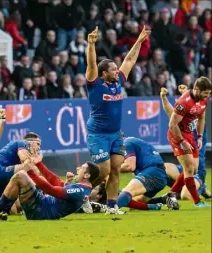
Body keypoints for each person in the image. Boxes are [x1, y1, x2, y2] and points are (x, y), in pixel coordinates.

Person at [84, 26, 150, 211]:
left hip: (115, 134)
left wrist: (139, 40)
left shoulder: (118, 82)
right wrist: (91, 45)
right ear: (104, 73)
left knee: (115, 169)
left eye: (116, 68)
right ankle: (80, 193)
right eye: (113, 69)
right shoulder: (95, 85)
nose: (117, 71)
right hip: (97, 134)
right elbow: (91, 65)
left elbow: (129, 60)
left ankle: (112, 206)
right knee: (103, 170)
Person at [0, 157, 100, 220]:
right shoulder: (81, 188)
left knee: (20, 176)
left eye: (82, 168)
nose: (78, 168)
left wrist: (30, 172)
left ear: (87, 175)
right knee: (23, 178)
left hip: (41, 211)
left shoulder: (80, 191)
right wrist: (39, 164)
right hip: (41, 205)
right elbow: (56, 181)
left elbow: (51, 190)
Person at [160, 85, 211, 202]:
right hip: (181, 139)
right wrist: (164, 98)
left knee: (192, 170)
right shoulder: (184, 108)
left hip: (198, 168)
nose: (207, 96)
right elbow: (171, 115)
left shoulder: (197, 123)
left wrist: (199, 137)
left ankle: (175, 192)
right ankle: (196, 200)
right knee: (186, 170)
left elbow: (197, 109)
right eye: (206, 93)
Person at [117, 137, 178, 211]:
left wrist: (111, 169)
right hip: (160, 175)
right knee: (135, 201)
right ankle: (163, 199)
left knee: (126, 192)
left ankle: (110, 208)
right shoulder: (133, 141)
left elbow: (130, 166)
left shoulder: (126, 143)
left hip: (152, 173)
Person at [0, 133, 41, 206]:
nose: (39, 148)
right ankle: (39, 197)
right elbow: (25, 160)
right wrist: (35, 159)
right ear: (30, 142)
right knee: (31, 168)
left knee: (12, 209)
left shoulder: (20, 147)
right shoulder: (22, 143)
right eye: (38, 144)